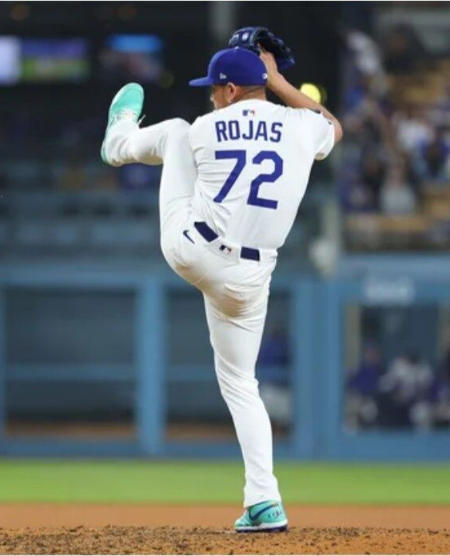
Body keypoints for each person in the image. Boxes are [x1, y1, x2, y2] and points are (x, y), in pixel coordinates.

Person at [100, 46, 342, 532]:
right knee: (242, 384)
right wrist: (278, 81)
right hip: (252, 278)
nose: (211, 98)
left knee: (173, 131)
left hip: (195, 249)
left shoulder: (205, 128)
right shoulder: (301, 126)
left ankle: (117, 140)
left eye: (213, 90)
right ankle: (265, 500)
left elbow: (203, 142)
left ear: (230, 90)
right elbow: (333, 127)